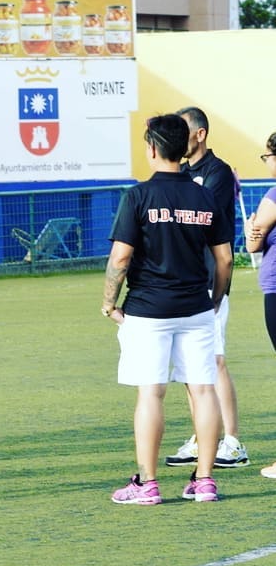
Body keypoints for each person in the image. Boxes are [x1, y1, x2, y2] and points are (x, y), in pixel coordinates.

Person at [103, 114, 233, 505]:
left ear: (152, 148)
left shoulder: (138, 196)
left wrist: (109, 303)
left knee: (151, 394)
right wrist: (215, 299)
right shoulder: (204, 195)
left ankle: (148, 483)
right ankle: (204, 481)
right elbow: (224, 258)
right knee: (203, 389)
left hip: (148, 309)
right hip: (196, 307)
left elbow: (120, 258)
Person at [164, 106, 249, 469]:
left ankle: (233, 442)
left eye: (183, 131)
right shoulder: (181, 173)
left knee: (215, 359)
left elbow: (201, 218)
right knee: (189, 366)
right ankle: (202, 438)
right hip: (185, 279)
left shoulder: (218, 172)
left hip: (211, 281)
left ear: (200, 134)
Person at [243, 133, 276, 479]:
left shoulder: (274, 196)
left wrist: (250, 226)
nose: (266, 162)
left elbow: (254, 243)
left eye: (266, 157)